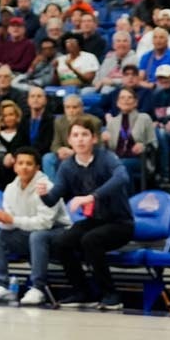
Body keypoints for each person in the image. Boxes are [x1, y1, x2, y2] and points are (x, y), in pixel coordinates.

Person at [40, 120, 133, 311]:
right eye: (75, 135)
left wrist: (91, 196)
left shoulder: (106, 158)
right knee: (61, 242)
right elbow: (52, 199)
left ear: (94, 138)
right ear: (69, 141)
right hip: (95, 221)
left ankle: (111, 295)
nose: (80, 139)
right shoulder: (67, 166)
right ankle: (82, 292)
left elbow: (122, 177)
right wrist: (42, 195)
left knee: (91, 240)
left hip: (120, 223)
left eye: (84, 135)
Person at [0, 147, 68, 305]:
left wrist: (12, 220)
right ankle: (1, 285)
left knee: (37, 236)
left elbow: (44, 223)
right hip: (27, 234)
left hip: (59, 234)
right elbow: (10, 225)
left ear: (37, 167)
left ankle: (37, 288)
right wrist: (3, 220)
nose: (24, 167)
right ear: (15, 166)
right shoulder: (10, 189)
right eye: (20, 163)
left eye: (29, 163)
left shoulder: (46, 187)